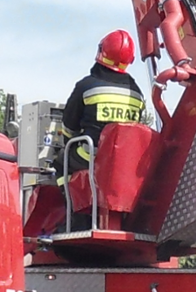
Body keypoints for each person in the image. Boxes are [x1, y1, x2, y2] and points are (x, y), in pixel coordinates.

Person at [55, 30, 145, 187]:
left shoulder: (86, 86)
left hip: (90, 156)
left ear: (102, 51)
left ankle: (72, 206)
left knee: (60, 163)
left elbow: (69, 126)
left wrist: (69, 143)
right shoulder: (137, 93)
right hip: (122, 163)